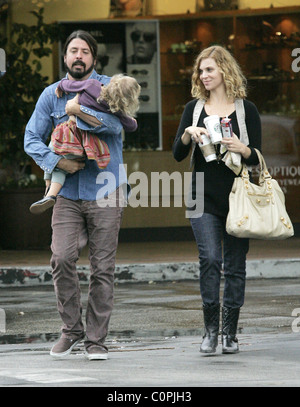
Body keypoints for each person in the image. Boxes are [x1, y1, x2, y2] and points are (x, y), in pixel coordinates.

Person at [24, 30, 129, 361]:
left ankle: (96, 340)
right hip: (66, 192)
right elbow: (31, 137)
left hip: (106, 188)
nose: (79, 56)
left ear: (94, 59)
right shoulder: (50, 95)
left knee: (103, 267)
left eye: (85, 51)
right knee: (62, 257)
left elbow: (116, 126)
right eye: (73, 51)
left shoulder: (109, 87)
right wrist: (58, 161)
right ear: (65, 58)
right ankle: (71, 330)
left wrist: (81, 113)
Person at [173, 45, 261, 355]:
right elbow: (177, 154)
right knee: (210, 259)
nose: (203, 75)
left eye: (209, 69)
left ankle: (230, 333)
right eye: (201, 70)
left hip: (238, 197)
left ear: (224, 71)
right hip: (201, 195)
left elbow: (257, 159)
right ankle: (210, 331)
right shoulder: (194, 109)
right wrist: (188, 133)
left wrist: (243, 147)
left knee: (235, 266)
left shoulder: (245, 110)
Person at [29, 74, 140, 214]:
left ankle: (49, 191)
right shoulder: (115, 109)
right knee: (63, 160)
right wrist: (132, 120)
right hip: (86, 141)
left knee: (54, 153)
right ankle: (49, 193)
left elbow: (71, 85)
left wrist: (60, 86)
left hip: (69, 133)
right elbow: (130, 126)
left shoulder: (93, 86)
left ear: (112, 82)